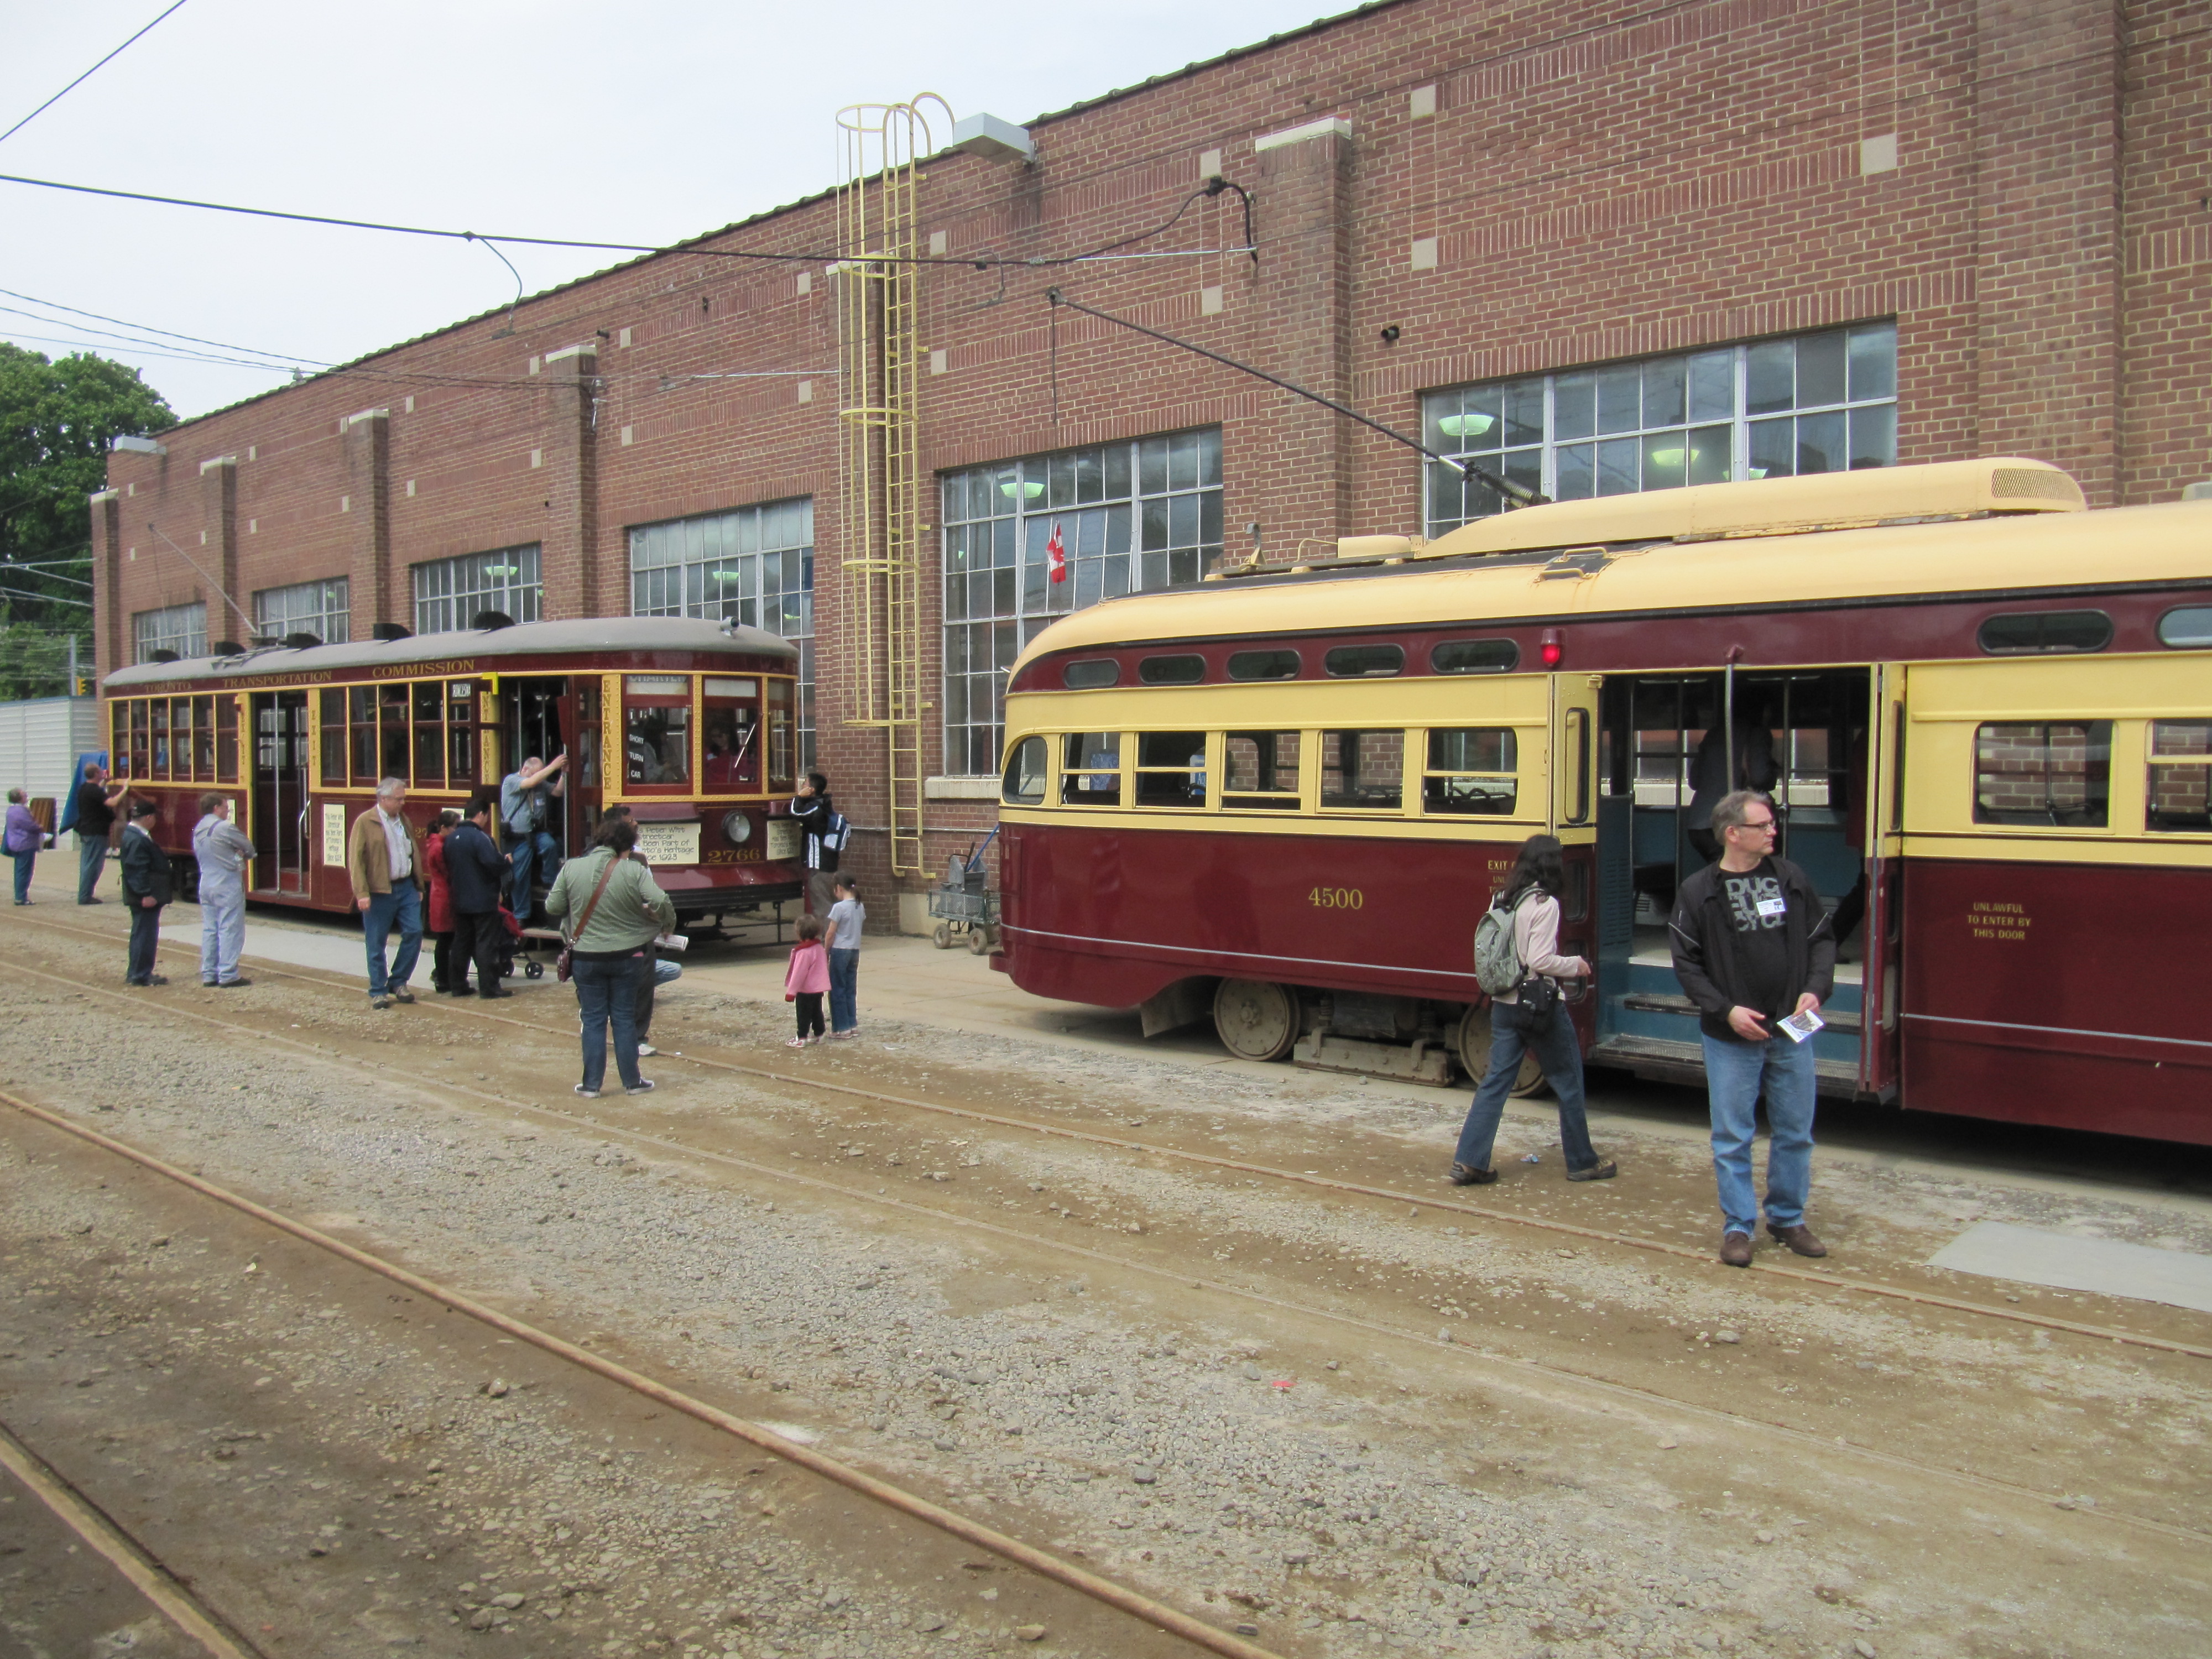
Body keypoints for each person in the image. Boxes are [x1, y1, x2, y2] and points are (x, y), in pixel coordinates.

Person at [1669, 787, 1838, 1267]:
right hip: (1730, 1036)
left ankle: (1787, 1219)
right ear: (1732, 833)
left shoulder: (1791, 879)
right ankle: (1739, 1227)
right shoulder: (1698, 891)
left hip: (1795, 1026)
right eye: (1763, 826)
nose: (1773, 832)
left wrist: (1816, 990)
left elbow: (1821, 940)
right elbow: (1688, 967)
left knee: (1797, 1131)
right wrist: (1727, 1012)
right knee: (1732, 1136)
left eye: (1772, 824)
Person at [1448, 835, 1618, 1186]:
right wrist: (1576, 965)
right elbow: (1539, 960)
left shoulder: (1504, 898)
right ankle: (1583, 1162)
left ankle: (1469, 1162)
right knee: (1568, 1082)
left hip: (1504, 1004)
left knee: (1495, 1082)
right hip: (1538, 1007)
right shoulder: (1545, 903)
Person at [545, 816, 675, 1098]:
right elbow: (661, 900)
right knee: (624, 1018)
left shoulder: (572, 867)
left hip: (585, 957)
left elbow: (553, 906)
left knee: (592, 1019)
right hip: (628, 956)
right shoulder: (633, 871)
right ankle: (632, 1082)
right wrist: (666, 924)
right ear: (626, 847)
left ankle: (591, 1085)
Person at [597, 805, 682, 1057]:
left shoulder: (584, 861)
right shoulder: (636, 863)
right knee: (639, 983)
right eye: (630, 822)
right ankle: (635, 1038)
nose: (636, 825)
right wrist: (666, 922)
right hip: (632, 936)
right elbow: (658, 900)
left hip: (599, 937)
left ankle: (607, 1032)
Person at [346, 777, 428, 1010]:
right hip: (379, 890)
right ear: (383, 799)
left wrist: (418, 886)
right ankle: (378, 990)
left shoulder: (403, 820)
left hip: (406, 887)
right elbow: (356, 861)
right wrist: (362, 893)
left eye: (403, 798)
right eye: (398, 799)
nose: (403, 803)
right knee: (376, 942)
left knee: (414, 932)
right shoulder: (365, 822)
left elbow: (413, 853)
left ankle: (399, 981)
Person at [1685, 705, 1779, 864]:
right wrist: (1774, 772)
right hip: (1735, 823)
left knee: (1725, 875)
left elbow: (1694, 781)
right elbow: (1760, 777)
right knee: (1742, 875)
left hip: (1699, 824)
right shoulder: (1756, 733)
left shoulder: (1714, 733)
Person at [444, 794, 512, 998]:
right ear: (481, 815)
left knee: (461, 943)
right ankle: (489, 986)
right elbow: (493, 864)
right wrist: (507, 862)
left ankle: (458, 984)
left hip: (460, 898)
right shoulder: (480, 838)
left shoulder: (451, 839)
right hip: (482, 899)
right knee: (485, 944)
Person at [190, 792, 256, 987]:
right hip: (226, 882)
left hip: (206, 881)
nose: (228, 812)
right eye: (226, 808)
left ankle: (209, 973)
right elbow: (249, 848)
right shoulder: (225, 828)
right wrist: (242, 853)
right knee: (230, 927)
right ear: (216, 808)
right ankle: (228, 973)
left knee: (210, 928)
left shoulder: (198, 828)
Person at [500, 753, 568, 922]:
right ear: (525, 769)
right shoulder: (511, 781)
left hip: (535, 832)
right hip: (518, 837)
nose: (539, 778)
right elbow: (530, 782)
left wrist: (564, 774)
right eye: (536, 773)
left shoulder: (539, 782)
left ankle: (549, 880)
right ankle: (521, 915)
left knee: (550, 845)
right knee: (519, 876)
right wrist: (552, 767)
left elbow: (558, 792)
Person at [118, 799, 171, 985]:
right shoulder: (137, 838)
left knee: (142, 932)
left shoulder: (132, 835)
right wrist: (145, 893)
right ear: (149, 817)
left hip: (142, 893)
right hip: (145, 895)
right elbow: (136, 869)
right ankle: (140, 974)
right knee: (145, 934)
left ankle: (137, 972)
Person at [74, 762, 127, 904]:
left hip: (86, 830)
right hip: (95, 831)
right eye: (100, 772)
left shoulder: (85, 788)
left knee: (87, 863)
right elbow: (113, 803)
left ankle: (85, 894)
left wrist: (105, 782)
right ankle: (85, 896)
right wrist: (125, 789)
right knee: (93, 865)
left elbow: (98, 793)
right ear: (96, 774)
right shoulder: (94, 791)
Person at [789, 771, 839, 917]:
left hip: (820, 866)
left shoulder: (816, 808)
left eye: (805, 784)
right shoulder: (824, 804)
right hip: (828, 863)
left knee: (822, 905)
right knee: (829, 902)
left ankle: (828, 938)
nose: (802, 786)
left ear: (811, 789)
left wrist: (798, 797)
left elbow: (796, 813)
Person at [423, 808, 462, 993]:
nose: (457, 831)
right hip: (444, 895)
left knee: (445, 939)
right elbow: (448, 872)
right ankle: (443, 977)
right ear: (445, 828)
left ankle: (442, 975)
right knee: (447, 939)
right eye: (456, 827)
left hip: (440, 894)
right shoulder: (440, 847)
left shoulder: (435, 843)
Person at [825, 872, 865, 1040]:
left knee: (837, 990)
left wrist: (825, 951)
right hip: (855, 950)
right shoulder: (859, 906)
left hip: (840, 950)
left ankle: (841, 1027)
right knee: (850, 989)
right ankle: (852, 1024)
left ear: (839, 888)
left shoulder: (839, 908)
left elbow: (831, 933)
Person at [785, 913, 830, 1046]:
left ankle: (802, 1037)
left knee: (803, 1014)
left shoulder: (804, 953)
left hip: (805, 989)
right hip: (818, 987)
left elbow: (799, 974)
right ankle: (820, 1034)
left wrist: (791, 992)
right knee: (817, 1012)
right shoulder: (819, 948)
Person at [4, 787, 42, 905]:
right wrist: (40, 828)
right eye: (24, 795)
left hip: (16, 843)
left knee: (20, 870)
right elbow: (30, 826)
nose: (26, 797)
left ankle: (20, 895)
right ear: (19, 798)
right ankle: (21, 897)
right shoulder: (20, 811)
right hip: (24, 844)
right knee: (25, 871)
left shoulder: (11, 810)